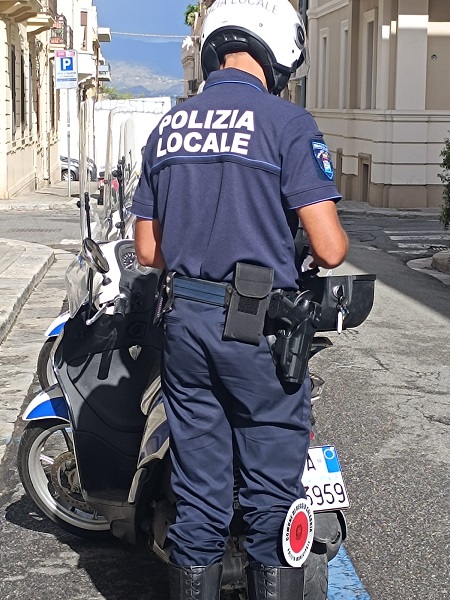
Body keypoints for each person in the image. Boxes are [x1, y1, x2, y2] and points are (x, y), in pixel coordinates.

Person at [131, 1, 348, 598]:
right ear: (276, 50)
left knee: (199, 491)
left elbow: (149, 250)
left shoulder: (168, 127)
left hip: (185, 326)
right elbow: (329, 249)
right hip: (257, 329)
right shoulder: (287, 124)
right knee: (272, 496)